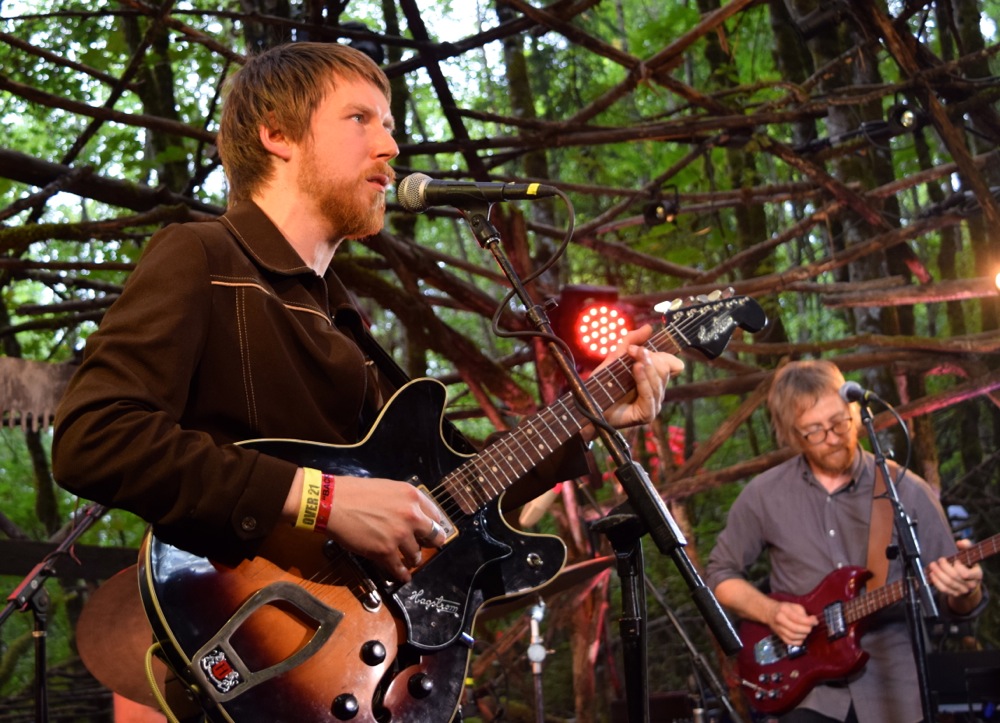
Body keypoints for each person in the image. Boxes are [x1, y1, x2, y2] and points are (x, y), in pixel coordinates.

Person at [52, 41, 682, 620]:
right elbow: (94, 437)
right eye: (361, 120)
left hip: (365, 656)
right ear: (277, 134)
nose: (390, 148)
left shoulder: (342, 316)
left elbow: (453, 494)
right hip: (253, 626)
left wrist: (589, 417)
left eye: (389, 125)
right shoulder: (203, 255)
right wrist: (322, 503)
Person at [705, 359, 985, 723]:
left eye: (840, 422)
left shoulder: (905, 489)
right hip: (806, 694)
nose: (833, 437)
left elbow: (956, 602)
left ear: (854, 411)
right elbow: (719, 576)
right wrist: (770, 612)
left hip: (894, 690)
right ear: (792, 434)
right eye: (815, 431)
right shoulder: (763, 496)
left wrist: (966, 592)